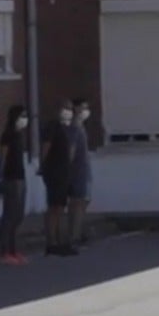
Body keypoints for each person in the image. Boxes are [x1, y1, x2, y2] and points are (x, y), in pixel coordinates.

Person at [0, 105, 31, 265]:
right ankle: (5, 251)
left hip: (20, 177)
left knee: (18, 215)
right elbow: (2, 157)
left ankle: (13, 249)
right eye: (22, 116)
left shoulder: (19, 135)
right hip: (11, 178)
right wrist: (1, 177)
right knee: (9, 215)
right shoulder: (8, 135)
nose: (25, 119)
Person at [38, 102, 73, 255]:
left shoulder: (63, 128)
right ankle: (52, 242)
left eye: (70, 109)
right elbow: (46, 147)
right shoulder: (52, 127)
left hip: (63, 172)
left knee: (60, 207)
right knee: (54, 207)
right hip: (54, 172)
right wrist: (43, 165)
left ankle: (60, 241)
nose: (68, 111)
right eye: (65, 108)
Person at [64, 98, 94, 252]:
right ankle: (73, 238)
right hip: (77, 173)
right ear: (76, 109)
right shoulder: (74, 129)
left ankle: (78, 234)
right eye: (83, 108)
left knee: (82, 203)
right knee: (77, 204)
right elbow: (71, 151)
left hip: (84, 171)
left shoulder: (81, 128)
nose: (85, 111)